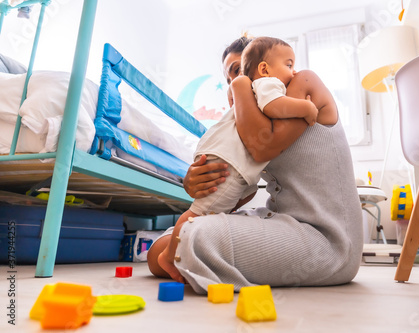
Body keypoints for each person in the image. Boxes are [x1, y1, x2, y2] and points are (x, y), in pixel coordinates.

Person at [147, 35, 363, 293]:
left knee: (192, 237)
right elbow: (233, 197)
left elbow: (264, 147)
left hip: (326, 241)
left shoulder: (304, 82)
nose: (234, 84)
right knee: (161, 248)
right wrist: (195, 183)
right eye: (230, 79)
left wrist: (239, 87)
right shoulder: (251, 121)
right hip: (282, 221)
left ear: (264, 67)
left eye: (240, 71)